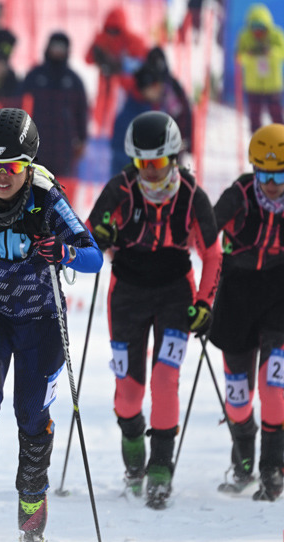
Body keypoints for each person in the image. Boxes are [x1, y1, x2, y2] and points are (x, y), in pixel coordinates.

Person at [0, 108, 102, 542]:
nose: (1, 176)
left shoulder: (48, 199)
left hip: (42, 320)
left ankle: (32, 527)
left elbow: (93, 257)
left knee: (31, 415)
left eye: (12, 167)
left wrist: (64, 252)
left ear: (28, 165)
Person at [87, 111, 221, 508]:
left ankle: (161, 468)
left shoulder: (192, 195)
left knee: (165, 379)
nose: (149, 170)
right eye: (141, 162)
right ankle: (133, 450)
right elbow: (85, 239)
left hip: (175, 291)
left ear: (173, 157)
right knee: (128, 393)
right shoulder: (120, 188)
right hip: (127, 293)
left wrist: (205, 302)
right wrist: (99, 238)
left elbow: (213, 254)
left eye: (157, 162)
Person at [211, 124, 284, 502]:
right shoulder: (239, 194)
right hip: (235, 294)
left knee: (272, 387)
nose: (272, 184)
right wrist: (203, 295)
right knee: (238, 399)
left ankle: (273, 469)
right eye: (264, 174)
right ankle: (244, 459)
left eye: (280, 175)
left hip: (280, 293)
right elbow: (206, 235)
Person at [110, 52, 193, 175]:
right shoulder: (133, 116)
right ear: (146, 87)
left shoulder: (149, 109)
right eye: (156, 86)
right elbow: (122, 155)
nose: (160, 90)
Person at [22, 32, 89, 184]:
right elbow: (19, 106)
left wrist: (82, 139)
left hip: (63, 148)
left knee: (60, 189)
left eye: (61, 47)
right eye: (55, 46)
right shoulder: (34, 76)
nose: (57, 51)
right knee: (34, 187)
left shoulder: (73, 81)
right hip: (36, 145)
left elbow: (81, 112)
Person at [86, 7, 150, 136]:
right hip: (105, 90)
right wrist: (95, 50)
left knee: (122, 122)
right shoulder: (101, 39)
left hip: (127, 92)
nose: (112, 33)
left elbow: (143, 64)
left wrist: (120, 66)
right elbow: (88, 59)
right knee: (102, 123)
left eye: (115, 30)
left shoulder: (133, 41)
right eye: (109, 29)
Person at [236, 4, 284, 134]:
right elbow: (239, 57)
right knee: (254, 118)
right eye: (254, 27)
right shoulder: (244, 36)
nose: (258, 31)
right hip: (253, 85)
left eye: (261, 27)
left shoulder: (277, 34)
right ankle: (257, 141)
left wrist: (271, 52)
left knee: (277, 116)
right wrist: (250, 55)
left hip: (273, 85)